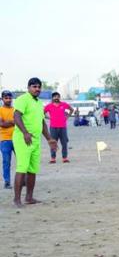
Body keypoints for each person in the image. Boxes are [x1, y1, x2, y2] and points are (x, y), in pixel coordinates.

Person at [12, 78, 58, 207]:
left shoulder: (39, 103)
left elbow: (42, 122)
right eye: (34, 86)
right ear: (28, 88)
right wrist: (25, 132)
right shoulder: (22, 99)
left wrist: (49, 139)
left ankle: (29, 197)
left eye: (39, 87)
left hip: (36, 140)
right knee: (22, 168)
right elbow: (16, 116)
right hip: (23, 139)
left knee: (33, 169)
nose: (37, 89)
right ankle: (16, 199)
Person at [44, 92, 73, 163]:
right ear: (52, 98)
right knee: (53, 143)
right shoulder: (49, 106)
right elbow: (42, 113)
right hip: (53, 127)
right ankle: (53, 158)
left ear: (59, 97)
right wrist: (48, 117)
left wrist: (67, 116)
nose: (56, 98)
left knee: (64, 143)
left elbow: (71, 110)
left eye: (58, 97)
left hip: (63, 127)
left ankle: (65, 158)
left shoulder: (64, 104)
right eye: (55, 97)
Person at [0, 90, 15, 189]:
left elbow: (19, 121)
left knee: (22, 160)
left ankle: (22, 180)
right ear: (2, 99)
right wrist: (13, 122)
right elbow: (2, 124)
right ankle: (7, 182)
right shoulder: (0, 110)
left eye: (10, 98)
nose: (8, 100)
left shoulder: (15, 109)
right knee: (6, 161)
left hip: (17, 138)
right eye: (6, 98)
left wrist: (8, 122)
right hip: (5, 139)